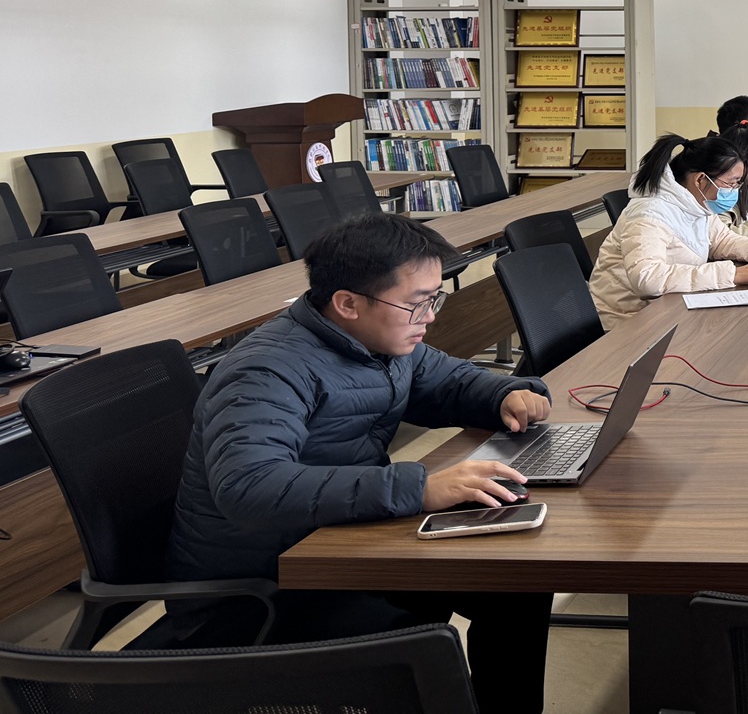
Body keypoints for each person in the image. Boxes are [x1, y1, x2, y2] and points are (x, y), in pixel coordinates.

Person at [166, 214, 554, 713]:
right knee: (425, 643)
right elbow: (249, 485)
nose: (430, 317)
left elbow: (449, 382)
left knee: (517, 583)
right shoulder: (265, 369)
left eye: (435, 298)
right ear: (348, 303)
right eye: (418, 303)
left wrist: (508, 393)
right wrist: (420, 489)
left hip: (341, 540)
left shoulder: (381, 340)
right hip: (265, 586)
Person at [589, 133, 748, 324]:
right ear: (700, 179)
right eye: (731, 183)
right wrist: (732, 274)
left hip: (668, 309)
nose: (734, 191)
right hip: (626, 320)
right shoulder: (649, 214)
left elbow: (721, 240)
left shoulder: (696, 203)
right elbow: (648, 279)